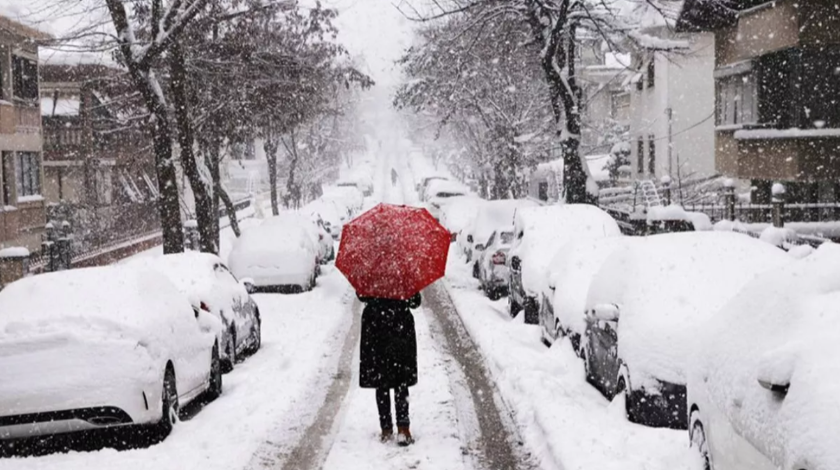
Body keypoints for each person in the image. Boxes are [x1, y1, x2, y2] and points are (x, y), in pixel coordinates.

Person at [358, 293, 421, 446]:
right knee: (401, 381)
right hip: (399, 329)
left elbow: (361, 295)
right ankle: (403, 428)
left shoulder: (371, 273)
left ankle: (386, 428)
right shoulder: (404, 274)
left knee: (382, 381)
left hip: (376, 329)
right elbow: (415, 302)